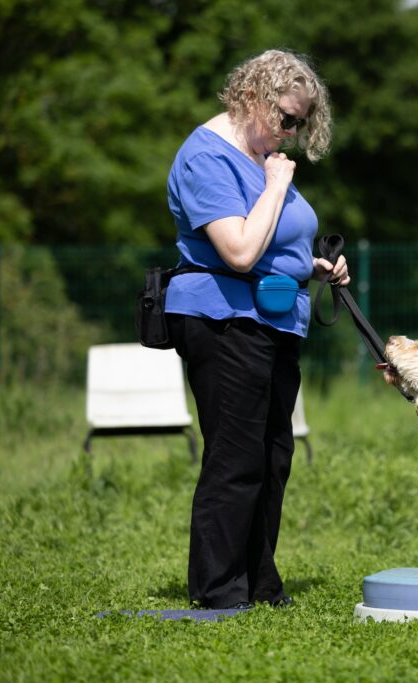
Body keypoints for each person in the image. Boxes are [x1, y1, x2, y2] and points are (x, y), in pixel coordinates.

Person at [164, 49, 347, 609]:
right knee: (236, 456)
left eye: (300, 123)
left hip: (273, 322)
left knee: (272, 458)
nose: (291, 135)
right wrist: (274, 184)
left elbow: (271, 242)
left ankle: (259, 583)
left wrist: (309, 265)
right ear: (252, 97)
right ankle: (219, 591)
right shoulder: (207, 158)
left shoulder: (261, 154)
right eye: (286, 119)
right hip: (223, 320)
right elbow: (240, 251)